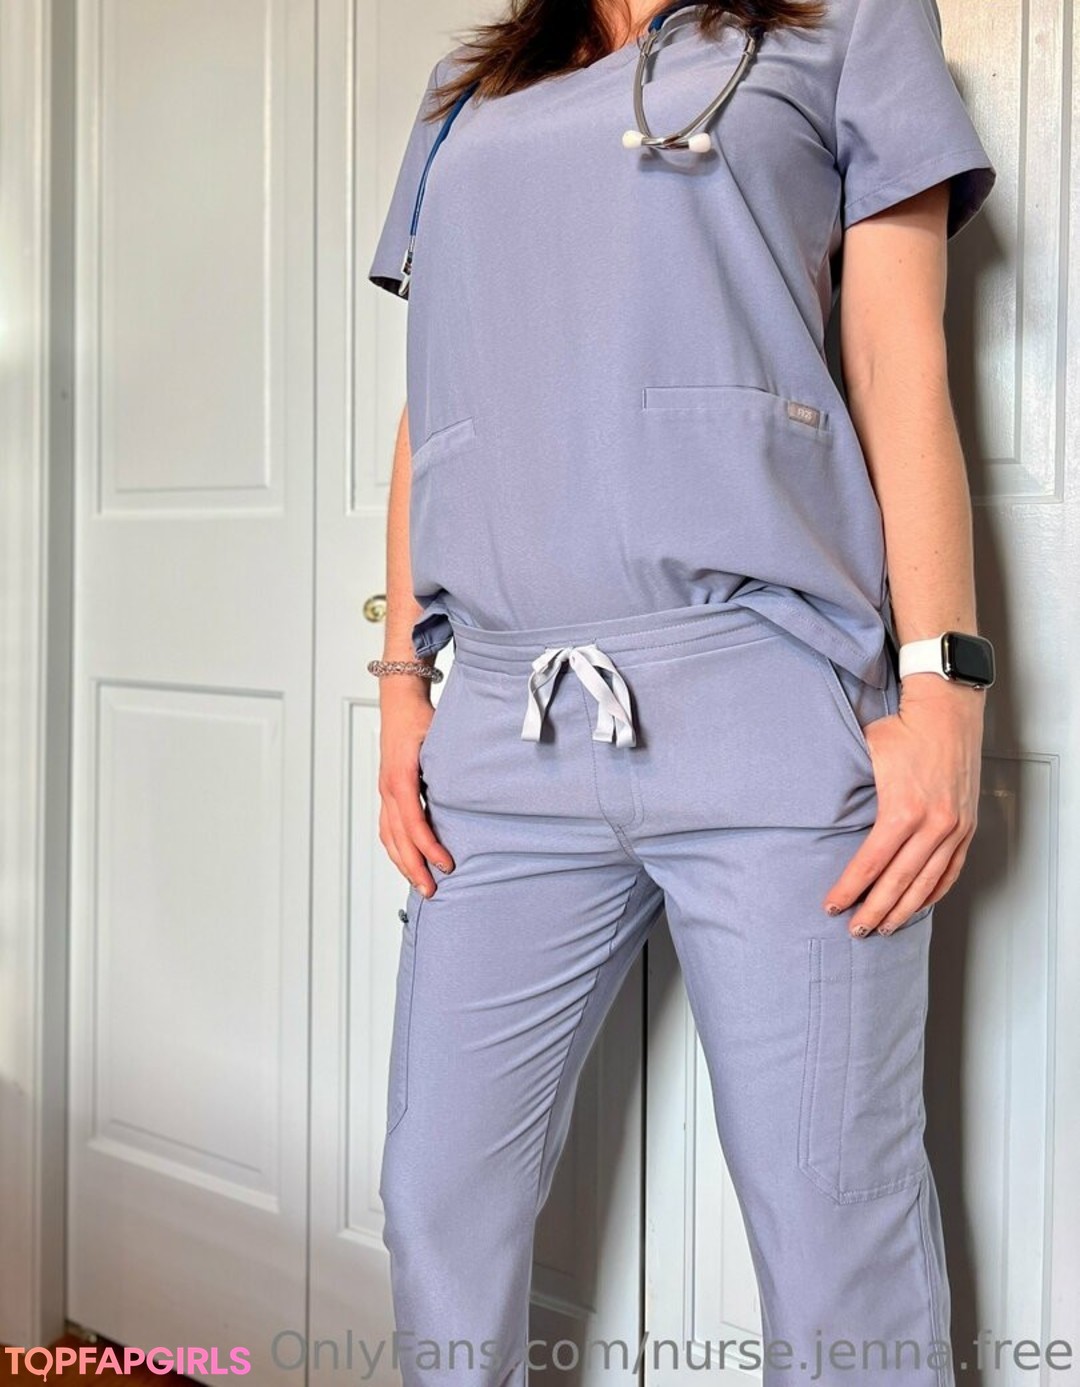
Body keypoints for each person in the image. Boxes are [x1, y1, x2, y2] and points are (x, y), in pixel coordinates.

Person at [366, 1, 997, 1383]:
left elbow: (898, 359)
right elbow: (435, 398)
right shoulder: (468, 90)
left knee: (837, 1239)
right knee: (434, 1200)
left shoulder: (846, 23)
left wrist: (945, 685)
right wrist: (403, 678)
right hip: (504, 726)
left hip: (764, 693)